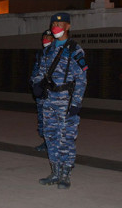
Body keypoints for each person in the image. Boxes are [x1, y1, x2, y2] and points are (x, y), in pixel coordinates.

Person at [31, 12, 88, 189]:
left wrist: (76, 103)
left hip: (66, 99)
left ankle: (65, 174)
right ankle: (55, 171)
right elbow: (40, 73)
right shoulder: (48, 50)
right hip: (49, 100)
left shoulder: (75, 50)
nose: (56, 27)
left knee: (66, 138)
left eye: (60, 24)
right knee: (50, 136)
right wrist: (36, 85)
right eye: (54, 24)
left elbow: (82, 79)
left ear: (68, 27)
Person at [32, 30, 54, 152]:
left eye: (49, 37)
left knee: (52, 120)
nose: (46, 39)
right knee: (42, 118)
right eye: (44, 37)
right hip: (41, 92)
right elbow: (36, 70)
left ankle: (51, 143)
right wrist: (34, 83)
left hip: (51, 93)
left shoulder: (56, 53)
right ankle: (45, 141)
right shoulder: (40, 54)